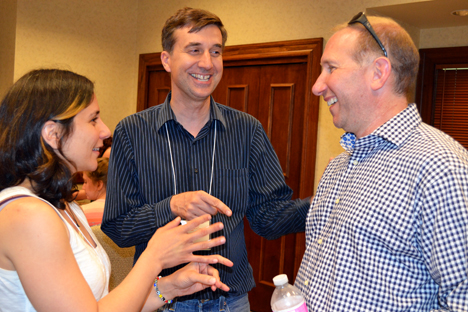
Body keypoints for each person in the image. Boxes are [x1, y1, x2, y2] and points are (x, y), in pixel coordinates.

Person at [101, 7, 310, 312]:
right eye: (194, 50)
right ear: (166, 59)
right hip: (161, 302)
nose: (208, 63)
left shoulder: (247, 130)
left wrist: (328, 201)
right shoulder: (132, 132)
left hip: (233, 302)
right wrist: (170, 207)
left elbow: (268, 219)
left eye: (215, 51)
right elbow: (119, 228)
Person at [0, 69, 234, 312]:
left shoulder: (65, 207)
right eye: (93, 120)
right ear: (53, 134)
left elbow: (99, 305)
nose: (105, 131)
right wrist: (154, 257)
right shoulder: (27, 215)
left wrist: (168, 288)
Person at [294, 12, 468, 311]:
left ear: (378, 72)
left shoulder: (441, 168)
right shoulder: (339, 167)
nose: (317, 86)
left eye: (330, 68)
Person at [81, 157, 109, 226]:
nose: (83, 187)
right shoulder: (129, 212)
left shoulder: (82, 213)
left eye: (85, 182)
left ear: (99, 185)